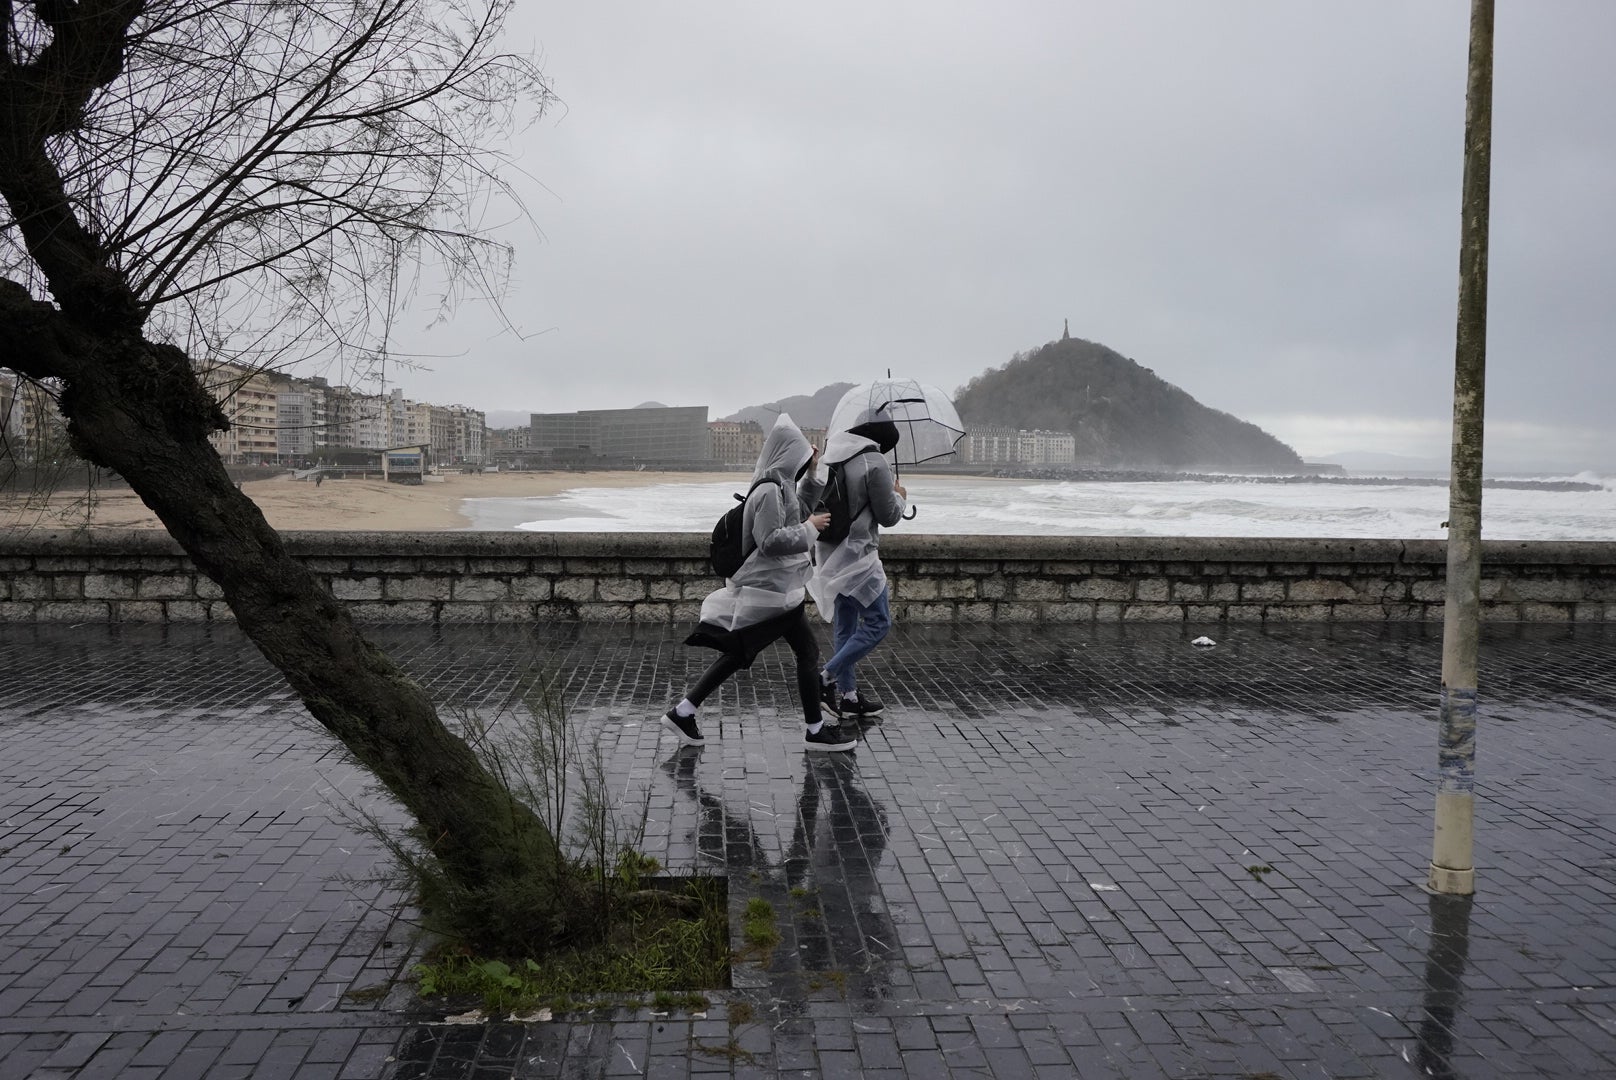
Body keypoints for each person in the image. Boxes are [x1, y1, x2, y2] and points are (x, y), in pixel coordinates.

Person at [662, 414, 856, 753]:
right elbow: (769, 540)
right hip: (772, 591)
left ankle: (684, 711)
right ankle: (813, 731)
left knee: (761, 652)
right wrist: (810, 528)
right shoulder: (768, 490)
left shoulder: (781, 486)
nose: (802, 463)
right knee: (786, 652)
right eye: (800, 457)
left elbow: (799, 512)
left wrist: (813, 476)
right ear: (787, 455)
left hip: (779, 589)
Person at [807, 407, 907, 718]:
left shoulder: (833, 455)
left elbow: (811, 496)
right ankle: (825, 678)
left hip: (828, 554)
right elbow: (888, 516)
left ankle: (849, 697)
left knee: (846, 625)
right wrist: (901, 497)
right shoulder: (874, 461)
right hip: (858, 555)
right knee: (879, 622)